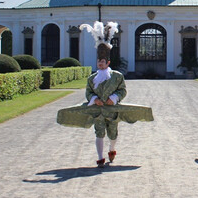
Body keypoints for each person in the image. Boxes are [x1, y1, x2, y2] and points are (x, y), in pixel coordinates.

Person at [57, 21, 154, 167]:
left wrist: (114, 98)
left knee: (113, 133)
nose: (100, 63)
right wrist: (94, 99)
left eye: (102, 61)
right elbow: (88, 92)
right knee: (99, 133)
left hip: (112, 111)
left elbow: (123, 90)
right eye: (98, 61)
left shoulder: (117, 76)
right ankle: (100, 157)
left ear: (107, 62)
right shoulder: (92, 78)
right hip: (98, 112)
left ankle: (112, 149)